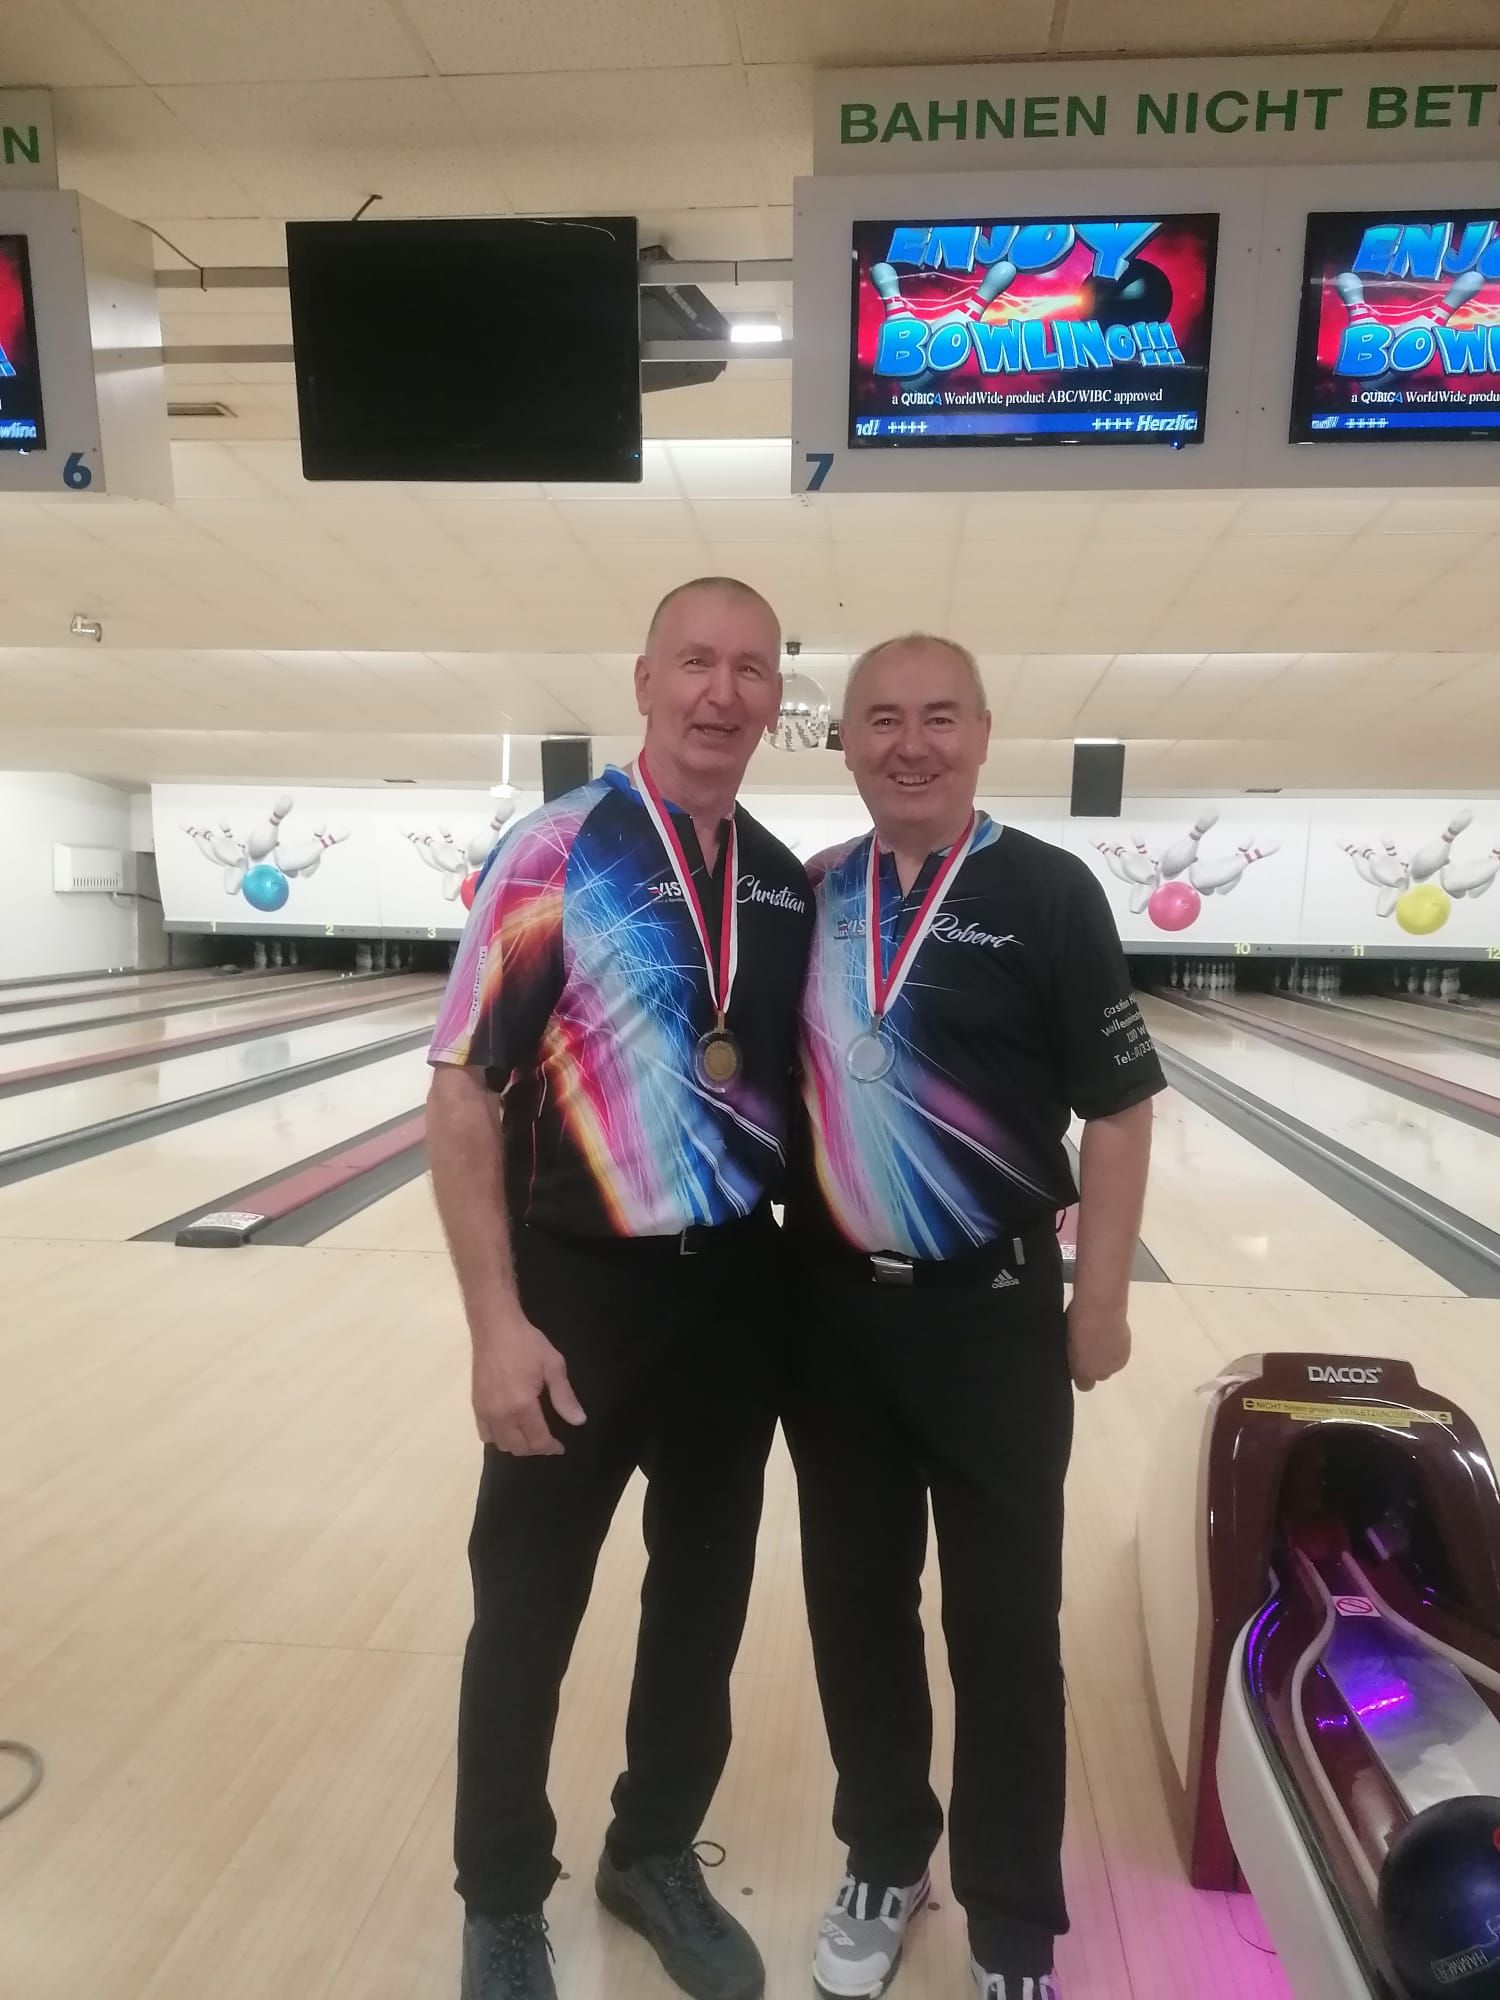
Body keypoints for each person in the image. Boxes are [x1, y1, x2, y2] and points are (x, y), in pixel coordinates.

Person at [426, 577, 813, 2000]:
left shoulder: (781, 880)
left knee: (703, 1604)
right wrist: (496, 1325)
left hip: (735, 1297)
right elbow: (463, 1092)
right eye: (696, 663)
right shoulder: (554, 850)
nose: (723, 692)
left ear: (777, 699)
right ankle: (500, 1897)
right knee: (528, 1611)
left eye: (751, 670)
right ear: (645, 681)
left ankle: (651, 1852)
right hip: (577, 1292)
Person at [782, 633, 1165, 2000]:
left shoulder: (1048, 891)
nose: (911, 744)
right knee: (856, 1609)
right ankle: (886, 1857)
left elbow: (1119, 1110)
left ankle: (1011, 1925)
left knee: (1004, 1629)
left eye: (939, 717)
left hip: (995, 1315)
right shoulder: (813, 894)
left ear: (985, 734)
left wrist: (1099, 1299)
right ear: (847, 744)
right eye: (882, 719)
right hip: (832, 1319)